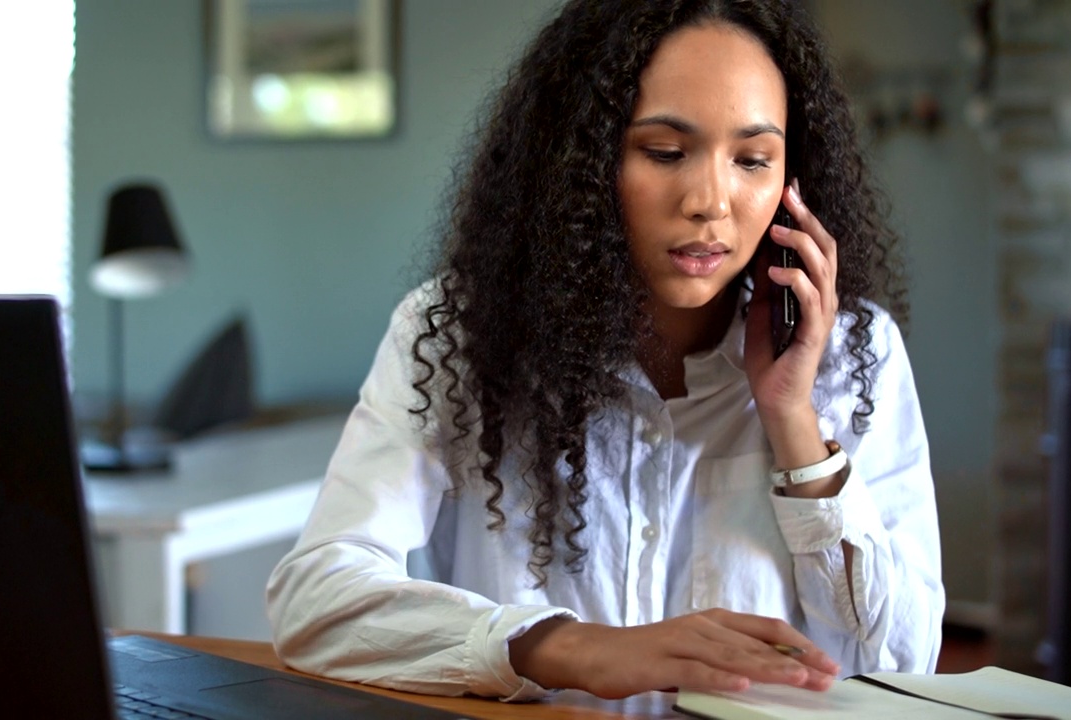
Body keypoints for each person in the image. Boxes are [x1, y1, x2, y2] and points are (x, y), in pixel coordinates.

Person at [266, 0, 944, 702]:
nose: (712, 200)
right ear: (579, 163)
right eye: (665, 152)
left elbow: (905, 661)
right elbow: (316, 603)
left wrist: (795, 425)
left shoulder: (853, 354)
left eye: (752, 159)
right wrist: (565, 648)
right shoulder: (462, 336)